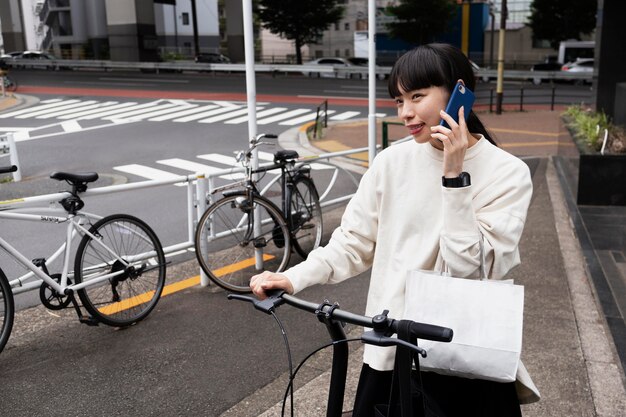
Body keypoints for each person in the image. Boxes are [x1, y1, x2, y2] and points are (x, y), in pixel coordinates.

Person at [251, 43, 540, 416]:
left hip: (463, 358)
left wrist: (454, 178)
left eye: (417, 96)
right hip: (390, 348)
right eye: (398, 101)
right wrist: (291, 278)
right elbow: (353, 242)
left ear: (459, 93)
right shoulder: (391, 162)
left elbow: (468, 269)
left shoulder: (507, 173)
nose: (405, 112)